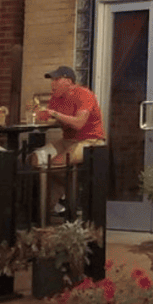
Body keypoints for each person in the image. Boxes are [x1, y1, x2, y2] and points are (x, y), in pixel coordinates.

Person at [43, 66, 106, 214]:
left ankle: (72, 196)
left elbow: (79, 123)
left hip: (90, 140)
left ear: (69, 81)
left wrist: (55, 115)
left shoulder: (83, 94)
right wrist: (41, 116)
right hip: (67, 139)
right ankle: (53, 204)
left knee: (56, 164)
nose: (53, 83)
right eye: (52, 80)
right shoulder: (55, 98)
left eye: (57, 79)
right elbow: (53, 120)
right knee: (35, 159)